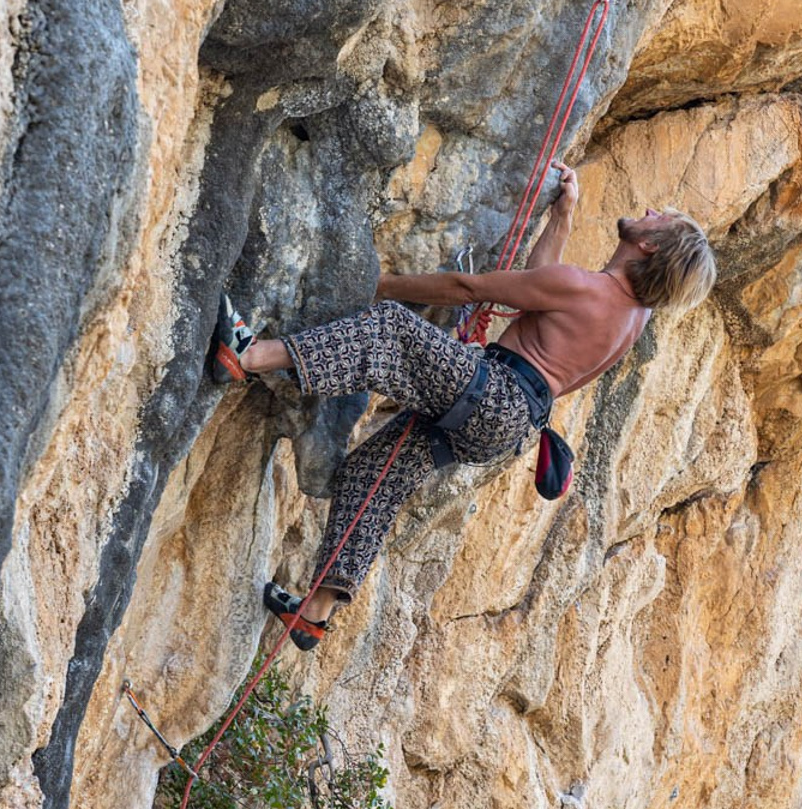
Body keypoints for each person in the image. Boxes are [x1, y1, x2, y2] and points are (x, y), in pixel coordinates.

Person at [210, 162, 716, 650]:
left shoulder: (586, 288)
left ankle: (249, 355)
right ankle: (316, 612)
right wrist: (561, 216)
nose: (650, 211)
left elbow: (467, 287)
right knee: (375, 475)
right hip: (510, 424)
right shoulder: (631, 320)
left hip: (494, 393)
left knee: (391, 329)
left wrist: (376, 282)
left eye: (660, 218)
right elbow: (539, 290)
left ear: (649, 244)